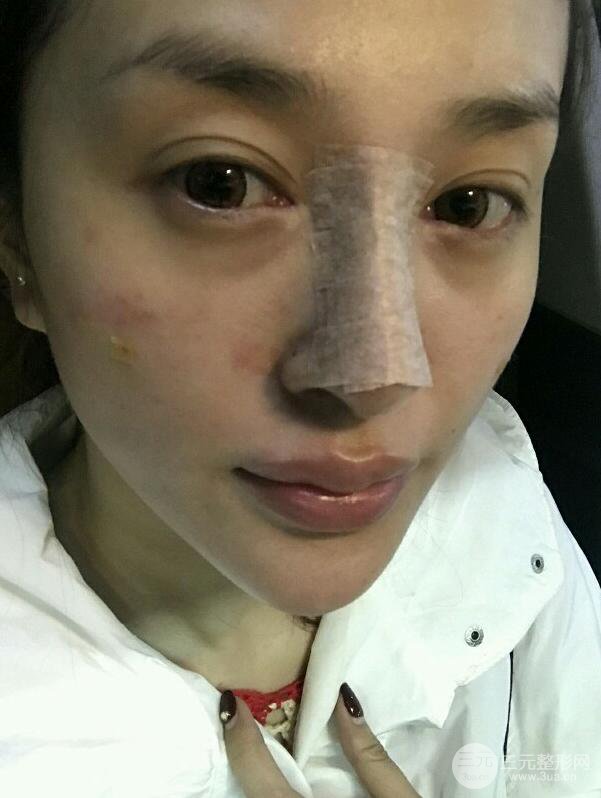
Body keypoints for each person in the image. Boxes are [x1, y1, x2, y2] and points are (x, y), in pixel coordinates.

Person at [0, 1, 600, 796]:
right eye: (219, 184)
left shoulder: (502, 506)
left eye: (469, 203)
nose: (373, 374)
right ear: (16, 229)